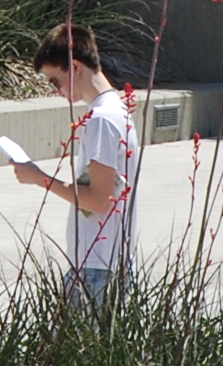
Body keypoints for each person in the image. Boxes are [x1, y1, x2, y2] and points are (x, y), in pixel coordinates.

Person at [11, 21, 139, 300]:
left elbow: (99, 201)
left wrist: (39, 178)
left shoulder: (102, 120)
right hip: (108, 262)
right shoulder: (115, 111)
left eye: (55, 80)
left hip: (97, 267)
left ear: (76, 68)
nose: (56, 90)